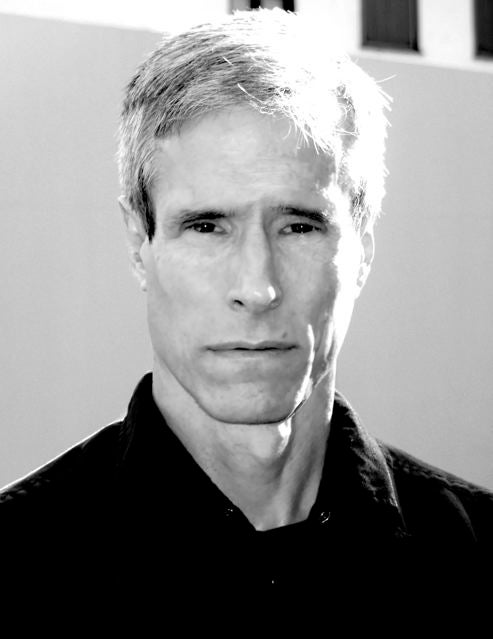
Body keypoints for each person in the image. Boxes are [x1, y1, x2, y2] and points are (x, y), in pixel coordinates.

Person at [1, 9, 492, 610]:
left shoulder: (477, 554)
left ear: (362, 249)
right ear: (138, 244)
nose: (257, 289)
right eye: (207, 226)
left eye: (299, 226)